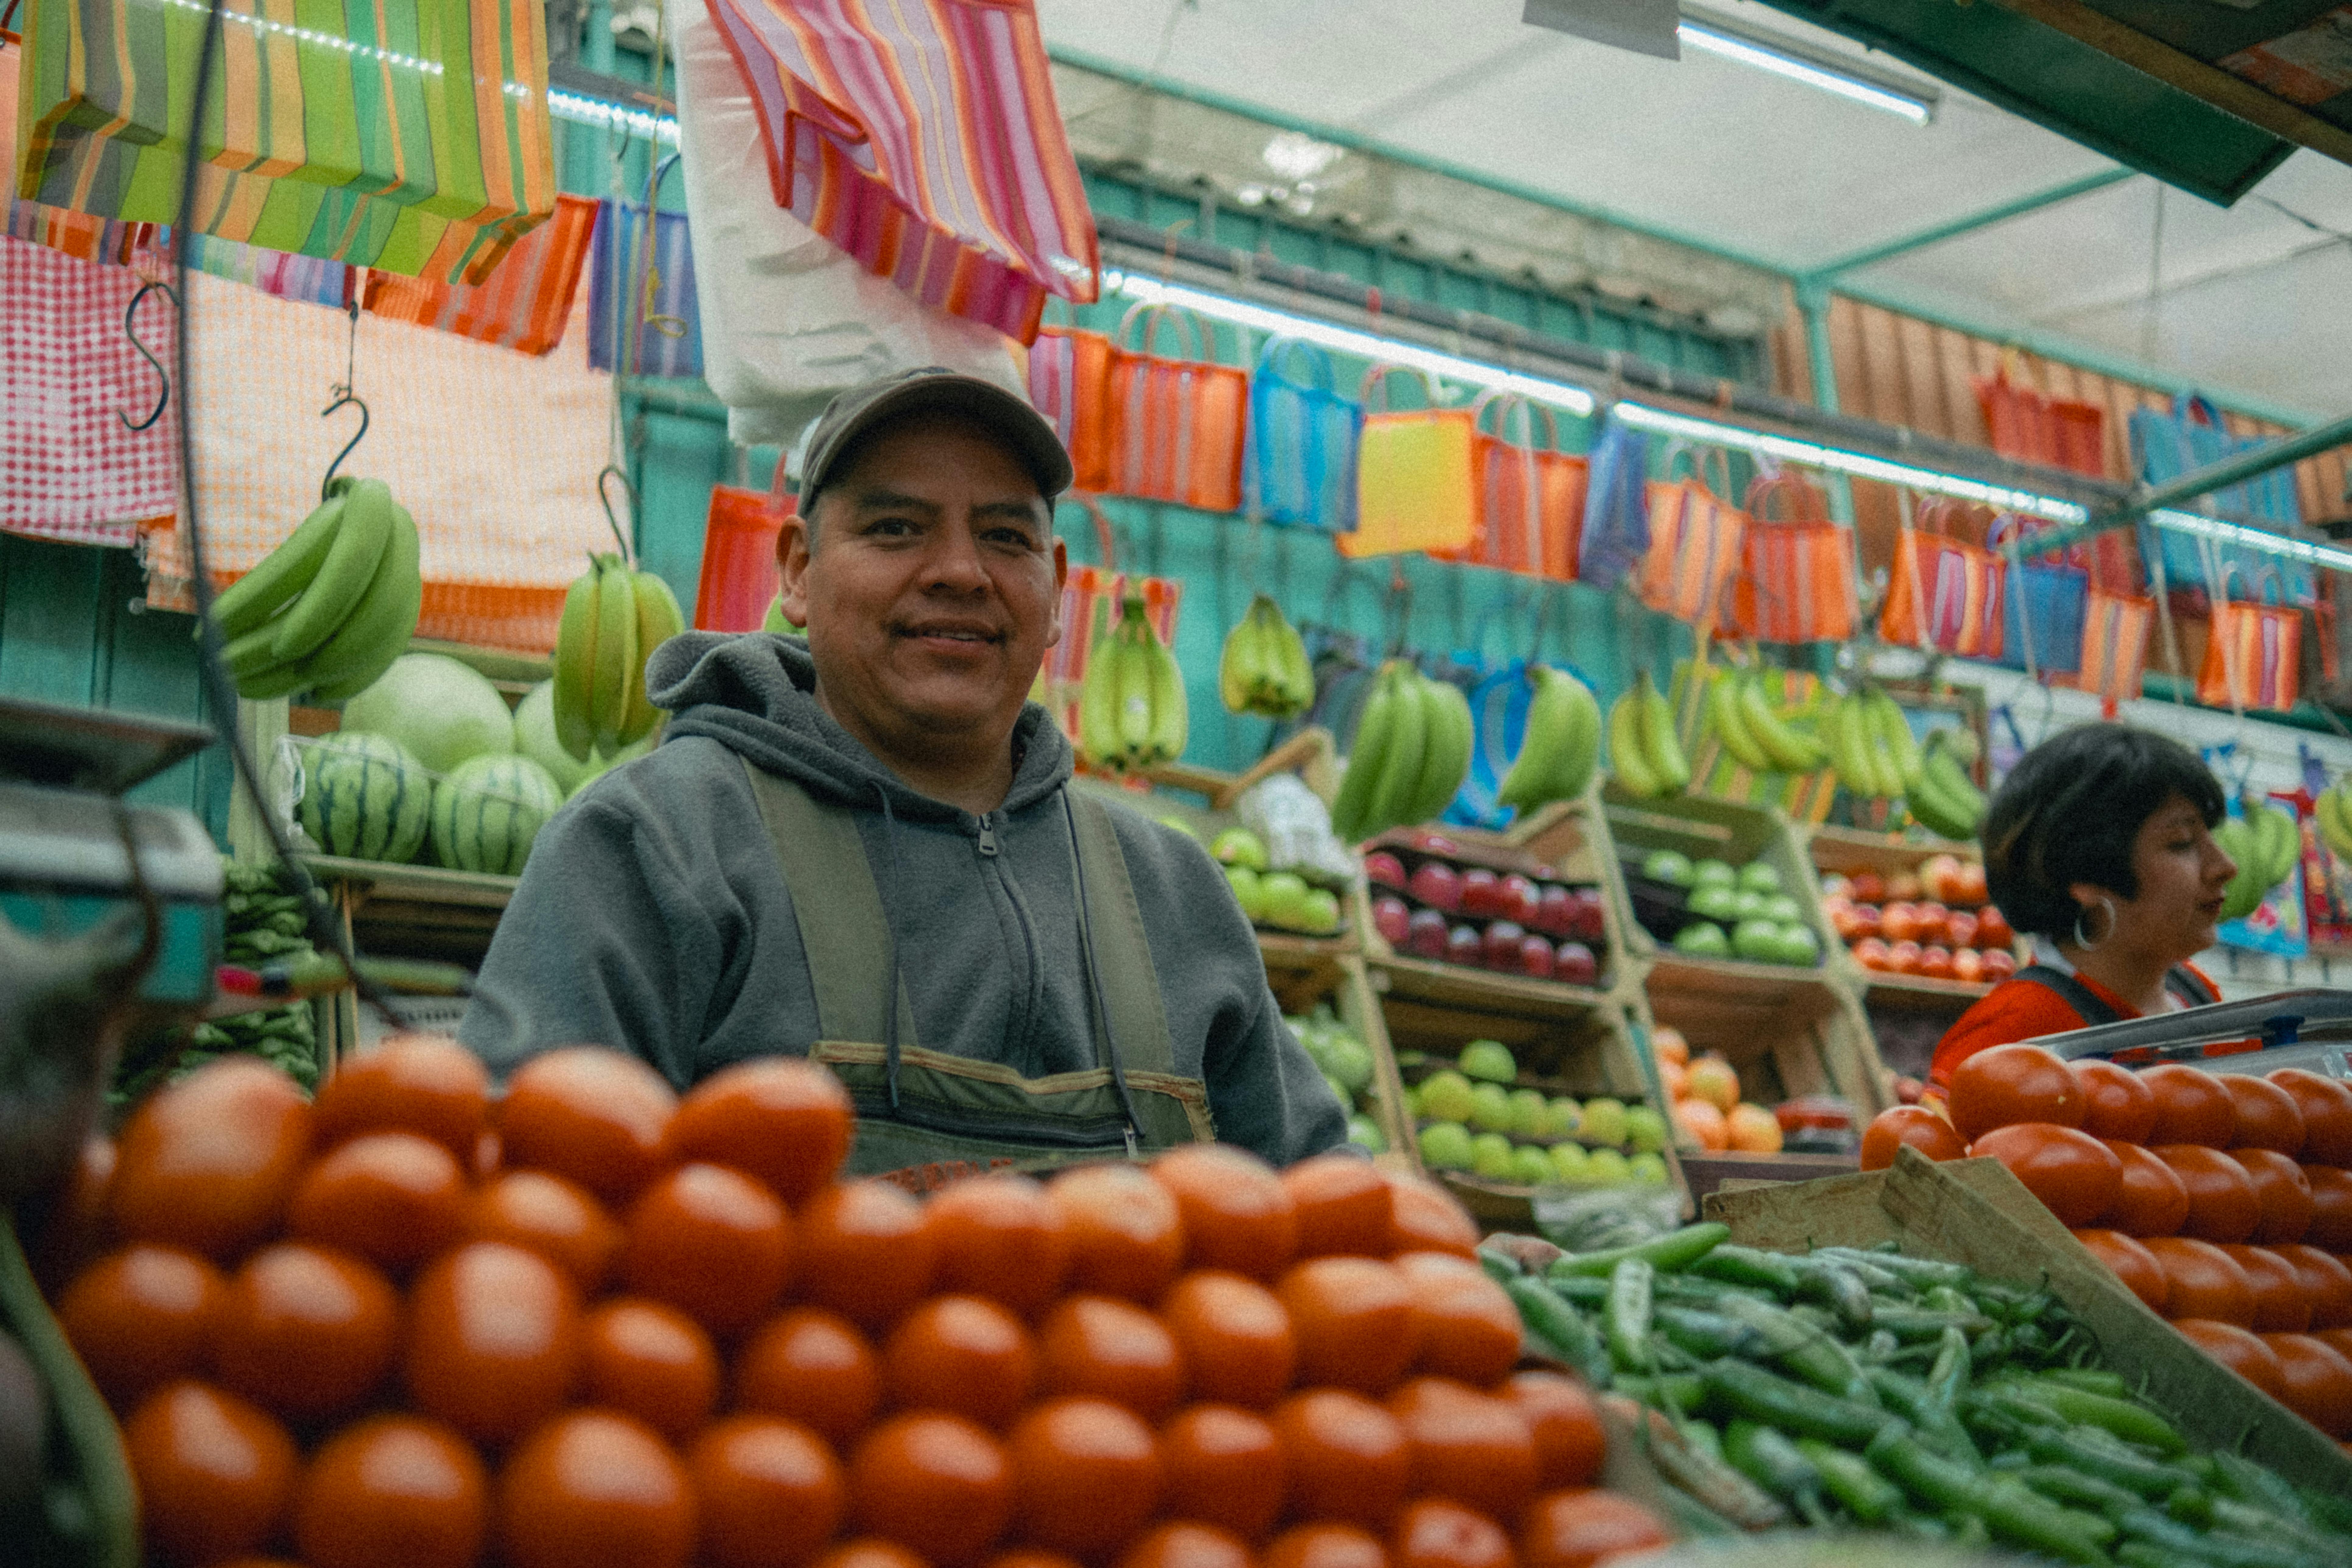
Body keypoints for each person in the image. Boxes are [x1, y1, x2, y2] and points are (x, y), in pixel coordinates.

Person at [461, 368, 1347, 1182]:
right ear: (799, 571)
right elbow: (529, 1213)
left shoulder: (1171, 891)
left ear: (1057, 588)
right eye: (895, 529)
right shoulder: (660, 841)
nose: (960, 572)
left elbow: (1323, 1219)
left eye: (1004, 537)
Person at [1928, 723, 2232, 1096]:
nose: (2225, 866)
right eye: (2182, 843)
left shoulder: (2199, 996)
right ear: (2090, 879)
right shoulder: (2008, 1037)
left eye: (2210, 837)